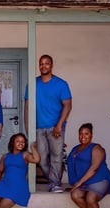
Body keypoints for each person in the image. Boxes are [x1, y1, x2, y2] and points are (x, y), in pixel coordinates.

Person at [24, 54, 72, 193]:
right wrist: (28, 125)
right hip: (38, 127)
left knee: (56, 156)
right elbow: (27, 106)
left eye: (47, 63)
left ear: (51, 65)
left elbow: (68, 105)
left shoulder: (61, 84)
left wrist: (59, 125)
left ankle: (54, 183)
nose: (43, 66)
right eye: (41, 63)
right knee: (42, 158)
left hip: (55, 127)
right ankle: (53, 182)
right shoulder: (32, 84)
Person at [67, 123, 110, 208]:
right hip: (84, 183)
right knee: (75, 195)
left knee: (90, 198)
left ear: (92, 135)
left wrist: (78, 183)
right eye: (81, 134)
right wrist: (75, 183)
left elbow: (94, 168)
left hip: (99, 179)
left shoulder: (97, 148)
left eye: (86, 134)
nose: (83, 136)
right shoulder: (75, 148)